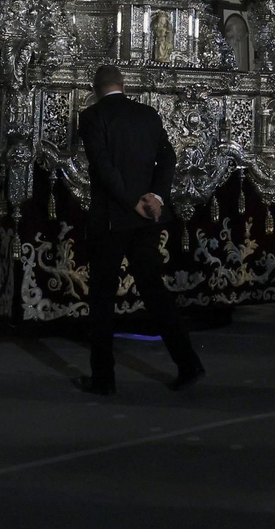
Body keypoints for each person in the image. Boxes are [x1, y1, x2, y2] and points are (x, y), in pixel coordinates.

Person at [74, 65, 203, 395]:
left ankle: (104, 378)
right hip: (146, 219)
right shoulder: (148, 115)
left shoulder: (91, 118)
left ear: (95, 87)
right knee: (155, 291)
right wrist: (156, 197)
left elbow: (103, 168)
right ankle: (188, 363)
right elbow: (169, 158)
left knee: (102, 298)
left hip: (110, 221)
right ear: (123, 84)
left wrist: (131, 201)